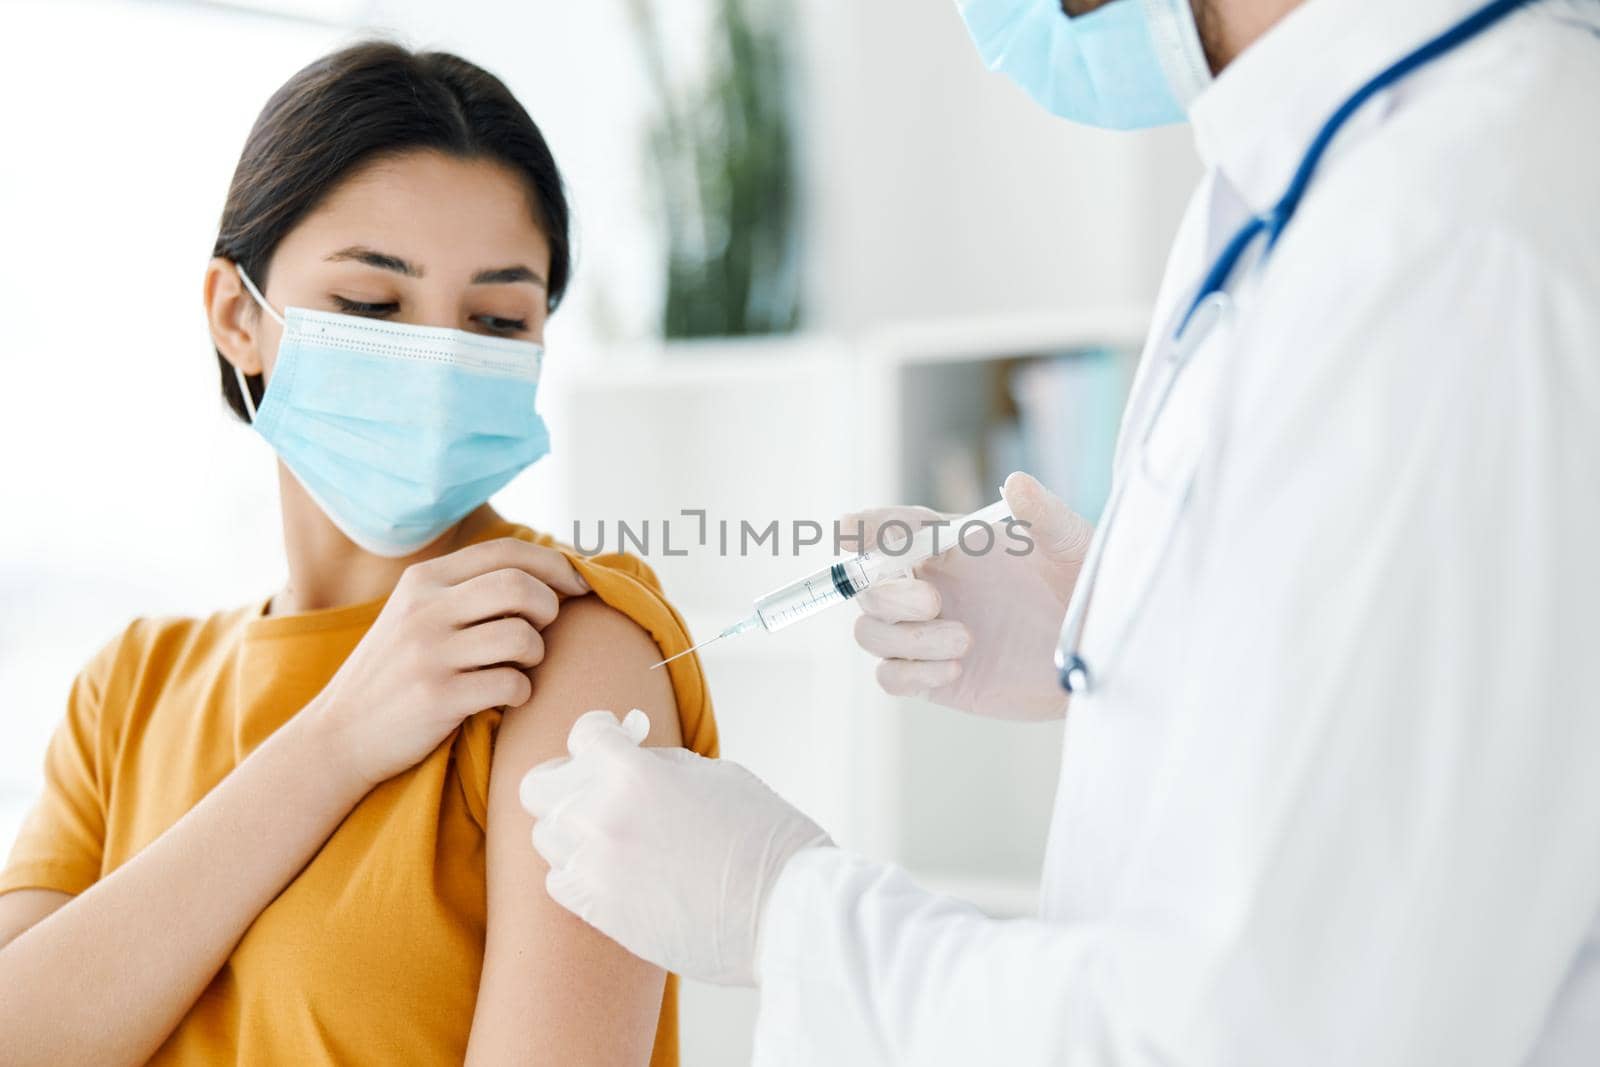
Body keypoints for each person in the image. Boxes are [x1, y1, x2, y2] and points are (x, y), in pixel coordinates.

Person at [519, 0, 1600, 1063]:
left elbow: (1246, 1030)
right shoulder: (1315, 167)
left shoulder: (1452, 242)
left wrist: (778, 906)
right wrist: (1121, 635)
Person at [0, 41, 717, 1067]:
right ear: (237, 315)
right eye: (372, 306)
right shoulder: (130, 688)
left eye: (496, 318)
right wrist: (334, 739)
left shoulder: (565, 643)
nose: (435, 362)